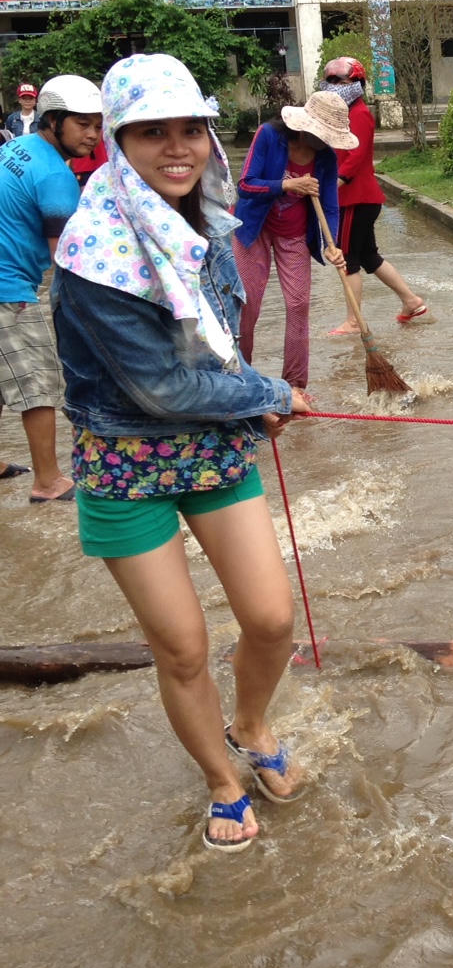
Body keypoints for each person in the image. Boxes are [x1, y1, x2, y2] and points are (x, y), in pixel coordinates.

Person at [51, 52, 310, 853]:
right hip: (127, 464)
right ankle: (222, 782)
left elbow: (220, 346)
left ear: (208, 134)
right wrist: (269, 396)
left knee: (270, 619)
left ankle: (252, 722)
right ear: (117, 141)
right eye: (150, 132)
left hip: (208, 450)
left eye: (189, 129)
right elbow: (162, 389)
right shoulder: (93, 256)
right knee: (183, 645)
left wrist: (248, 398)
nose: (177, 147)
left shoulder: (208, 217)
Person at [0, 73, 103, 502]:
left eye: (98, 124)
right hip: (9, 289)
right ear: (53, 120)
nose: (93, 135)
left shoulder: (14, 148)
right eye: (83, 124)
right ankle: (48, 481)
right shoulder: (56, 179)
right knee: (39, 383)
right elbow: (68, 263)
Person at [232, 90, 351, 390]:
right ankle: (241, 378)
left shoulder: (325, 158)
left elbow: (330, 205)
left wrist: (331, 244)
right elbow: (245, 184)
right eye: (322, 135)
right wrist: (287, 184)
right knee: (248, 303)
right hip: (254, 229)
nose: (325, 143)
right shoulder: (270, 135)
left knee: (298, 305)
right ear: (305, 126)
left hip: (294, 233)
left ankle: (295, 385)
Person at [319, 56, 430, 333]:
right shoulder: (342, 114)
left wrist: (337, 182)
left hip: (355, 197)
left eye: (340, 81)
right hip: (357, 198)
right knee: (369, 257)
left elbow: (355, 156)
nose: (333, 86)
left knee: (347, 259)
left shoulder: (359, 114)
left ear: (356, 84)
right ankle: (411, 300)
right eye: (330, 81)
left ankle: (354, 321)